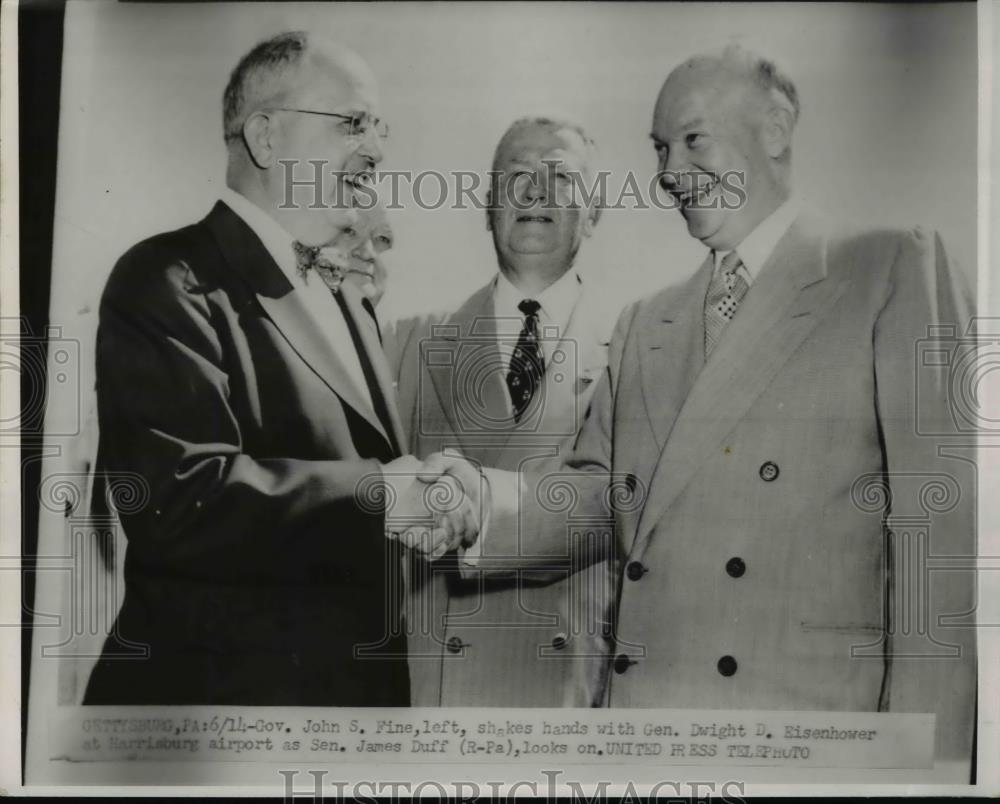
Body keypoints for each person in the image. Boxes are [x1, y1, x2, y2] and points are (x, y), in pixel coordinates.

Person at [466, 45, 975, 763]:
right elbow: (592, 500)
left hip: (811, 746)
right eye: (660, 149)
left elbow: (937, 558)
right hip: (648, 739)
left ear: (774, 128)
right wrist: (469, 505)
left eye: (692, 139)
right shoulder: (647, 321)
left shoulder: (889, 267)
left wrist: (931, 767)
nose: (670, 173)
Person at [84, 30, 477, 707]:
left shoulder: (347, 299)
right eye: (352, 123)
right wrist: (385, 495)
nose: (377, 150)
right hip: (214, 723)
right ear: (266, 138)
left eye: (380, 128)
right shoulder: (166, 279)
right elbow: (181, 497)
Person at [389, 117, 618, 706]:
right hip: (433, 693)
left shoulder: (640, 350)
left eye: (561, 177)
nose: (535, 192)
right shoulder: (408, 341)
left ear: (594, 213)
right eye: (516, 176)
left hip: (569, 699)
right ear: (487, 207)